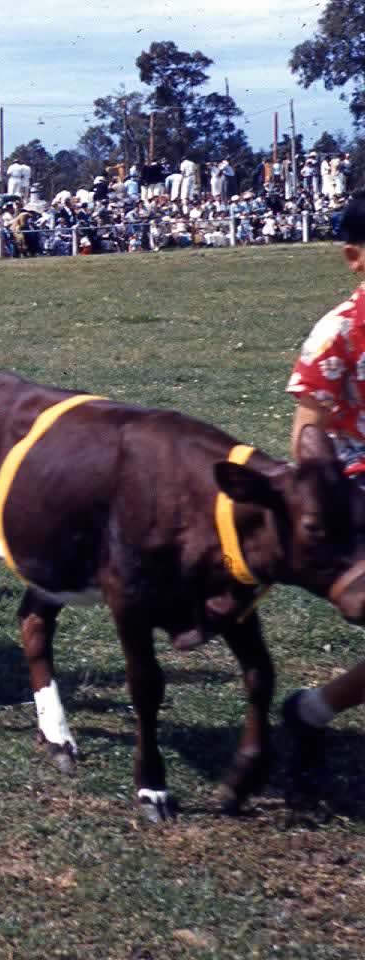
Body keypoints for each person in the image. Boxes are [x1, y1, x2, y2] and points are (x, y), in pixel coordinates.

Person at [281, 190, 365, 799]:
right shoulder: (338, 332)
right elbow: (308, 436)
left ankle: (311, 712)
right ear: (354, 257)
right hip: (351, 494)